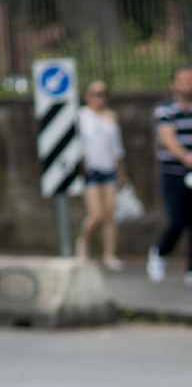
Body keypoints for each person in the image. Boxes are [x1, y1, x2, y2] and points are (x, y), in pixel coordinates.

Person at [146, 65, 192, 288]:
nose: (188, 84)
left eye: (191, 79)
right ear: (173, 84)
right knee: (178, 219)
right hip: (173, 173)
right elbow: (167, 139)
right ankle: (159, 252)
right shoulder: (165, 111)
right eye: (183, 80)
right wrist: (186, 157)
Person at [76, 80, 127, 271]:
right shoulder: (81, 116)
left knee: (110, 214)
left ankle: (109, 254)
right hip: (91, 171)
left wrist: (121, 172)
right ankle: (82, 242)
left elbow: (117, 147)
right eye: (96, 94)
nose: (100, 98)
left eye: (103, 94)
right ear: (87, 96)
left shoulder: (111, 117)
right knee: (96, 214)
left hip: (109, 169)